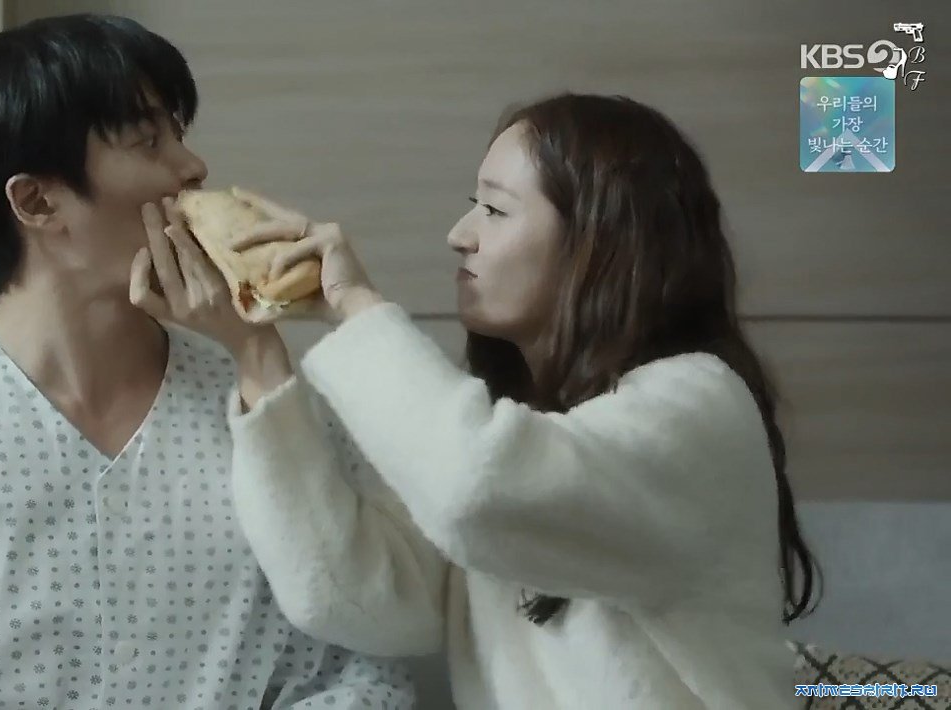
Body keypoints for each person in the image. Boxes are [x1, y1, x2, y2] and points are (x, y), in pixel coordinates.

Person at [0, 14, 415, 710]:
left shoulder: (272, 406)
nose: (193, 167)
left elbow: (368, 674)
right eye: (148, 140)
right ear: (36, 200)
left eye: (178, 133)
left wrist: (258, 342)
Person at [132, 94, 820, 709]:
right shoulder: (528, 433)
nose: (459, 234)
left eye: (494, 209)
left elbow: (476, 489)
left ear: (602, 241)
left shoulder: (700, 404)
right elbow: (356, 598)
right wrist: (255, 351)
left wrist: (354, 303)